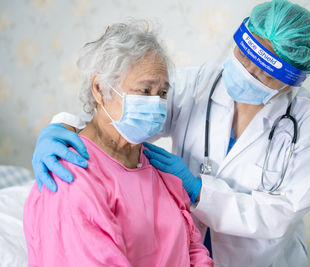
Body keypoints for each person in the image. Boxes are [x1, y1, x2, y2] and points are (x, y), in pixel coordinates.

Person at [30, 0, 310, 266]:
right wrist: (62, 126)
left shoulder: (306, 126)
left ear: (292, 80)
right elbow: (122, 109)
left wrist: (198, 189)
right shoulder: (198, 83)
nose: (246, 72)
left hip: (256, 257)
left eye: (263, 73)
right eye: (243, 57)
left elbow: (282, 214)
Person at [23, 20, 213, 267]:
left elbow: (193, 250)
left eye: (163, 93)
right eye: (145, 91)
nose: (156, 103)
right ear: (100, 88)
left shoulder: (158, 168)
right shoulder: (69, 175)